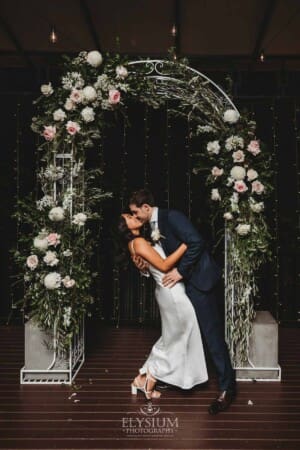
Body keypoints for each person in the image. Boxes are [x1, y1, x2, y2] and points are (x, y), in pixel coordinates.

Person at [128, 189, 236, 415]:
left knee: (211, 335)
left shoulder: (171, 217)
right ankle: (171, 374)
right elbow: (159, 259)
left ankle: (227, 389)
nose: (136, 218)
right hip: (180, 289)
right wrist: (145, 267)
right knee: (185, 334)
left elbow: (196, 242)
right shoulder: (149, 227)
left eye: (136, 213)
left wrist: (180, 271)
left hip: (199, 282)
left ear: (147, 207)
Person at [118, 213, 208, 400]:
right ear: (125, 226)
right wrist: (186, 244)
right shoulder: (139, 243)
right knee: (180, 333)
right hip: (171, 291)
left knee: (176, 335)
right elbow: (165, 265)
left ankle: (143, 378)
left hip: (168, 289)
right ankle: (151, 374)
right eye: (128, 216)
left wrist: (143, 267)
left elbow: (147, 267)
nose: (133, 216)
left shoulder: (137, 242)